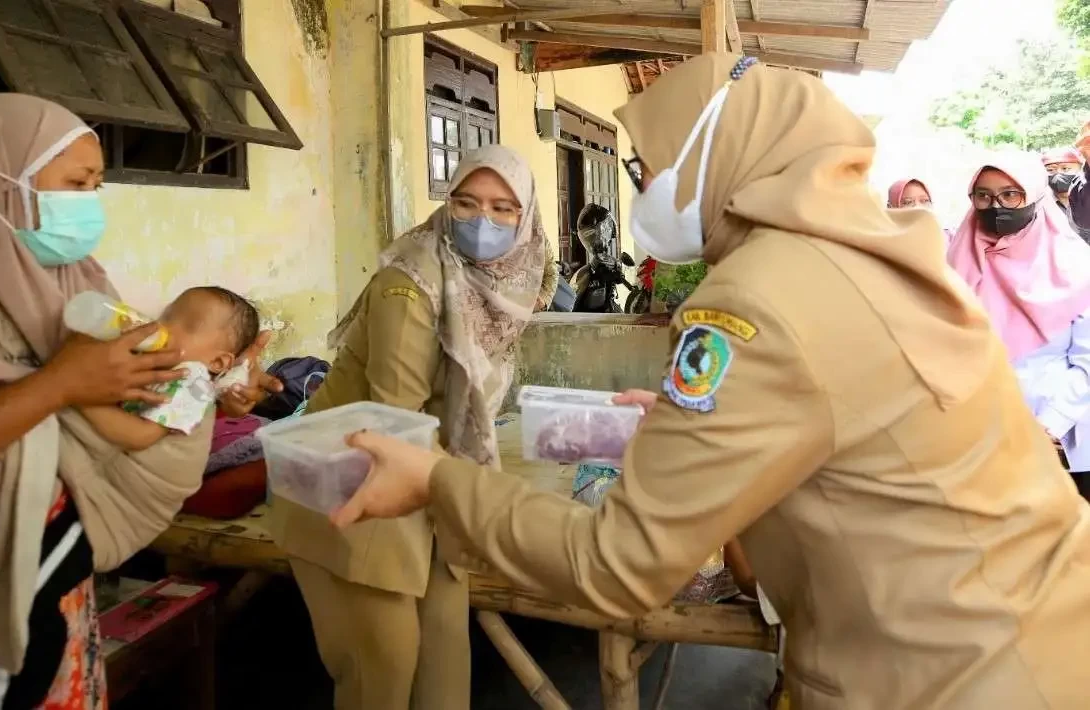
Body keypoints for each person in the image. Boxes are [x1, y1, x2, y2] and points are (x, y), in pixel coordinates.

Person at [328, 54, 1090, 709]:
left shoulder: (758, 295)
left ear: (714, 156)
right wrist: (699, 422)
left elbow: (616, 565)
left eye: (649, 164)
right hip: (1030, 641)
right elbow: (851, 421)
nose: (643, 184)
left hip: (946, 679)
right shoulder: (874, 254)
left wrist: (436, 481)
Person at [0, 94, 280, 708]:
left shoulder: (72, 282)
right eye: (74, 183)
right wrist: (53, 387)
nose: (87, 205)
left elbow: (133, 388)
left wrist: (209, 402)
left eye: (95, 185)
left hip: (57, 585)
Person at [271, 145, 546, 710]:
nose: (482, 221)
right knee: (385, 668)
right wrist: (476, 493)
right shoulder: (412, 282)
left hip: (427, 475)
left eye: (503, 208)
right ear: (447, 204)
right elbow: (394, 414)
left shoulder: (507, 279)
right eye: (466, 202)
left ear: (528, 217)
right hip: (353, 479)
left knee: (444, 655)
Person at [947, 153, 1090, 500]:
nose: (996, 205)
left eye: (1011, 194)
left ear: (1035, 196)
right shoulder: (952, 264)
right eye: (983, 195)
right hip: (978, 440)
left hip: (1059, 440)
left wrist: (1049, 424)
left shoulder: (1076, 264)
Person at [84, 286, 260, 450]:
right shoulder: (155, 361)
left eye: (190, 325)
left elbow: (140, 436)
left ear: (217, 362)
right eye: (166, 316)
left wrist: (81, 396)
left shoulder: (191, 381)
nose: (163, 327)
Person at [1040, 147, 1090, 242]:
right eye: (1050, 170)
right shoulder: (1040, 205)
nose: (1058, 174)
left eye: (1065, 168)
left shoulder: (1086, 197)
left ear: (1080, 169)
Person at [887, 177, 953, 243]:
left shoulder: (950, 238)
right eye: (908, 202)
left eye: (924, 201)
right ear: (891, 208)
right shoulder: (886, 246)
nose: (918, 207)